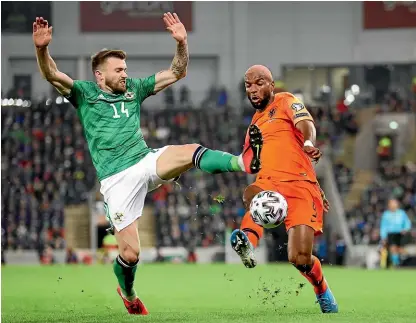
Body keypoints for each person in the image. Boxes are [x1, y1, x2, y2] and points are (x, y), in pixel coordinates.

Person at [33, 14, 259, 315]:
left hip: (144, 160)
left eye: (125, 69)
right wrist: (41, 49)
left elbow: (177, 72)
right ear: (100, 75)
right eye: (118, 70)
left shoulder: (134, 90)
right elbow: (52, 74)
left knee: (189, 150)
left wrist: (182, 42)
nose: (125, 74)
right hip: (116, 180)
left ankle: (242, 162)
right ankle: (128, 294)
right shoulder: (85, 94)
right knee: (131, 253)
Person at [230, 65, 338, 313]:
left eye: (259, 83)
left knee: (299, 258)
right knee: (251, 194)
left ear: (271, 84)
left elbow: (305, 123)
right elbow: (248, 162)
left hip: (300, 184)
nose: (253, 89)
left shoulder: (286, 100)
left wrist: (309, 142)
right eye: (248, 85)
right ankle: (247, 242)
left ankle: (321, 289)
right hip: (269, 182)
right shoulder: (253, 126)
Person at [380, 198, 411, 268]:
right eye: (391, 203)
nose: (393, 204)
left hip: (401, 233)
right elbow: (383, 226)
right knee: (393, 248)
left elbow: (407, 222)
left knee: (399, 249)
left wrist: (406, 229)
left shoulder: (401, 213)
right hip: (391, 233)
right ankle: (396, 264)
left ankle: (402, 259)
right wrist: (383, 237)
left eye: (394, 203)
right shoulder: (386, 214)